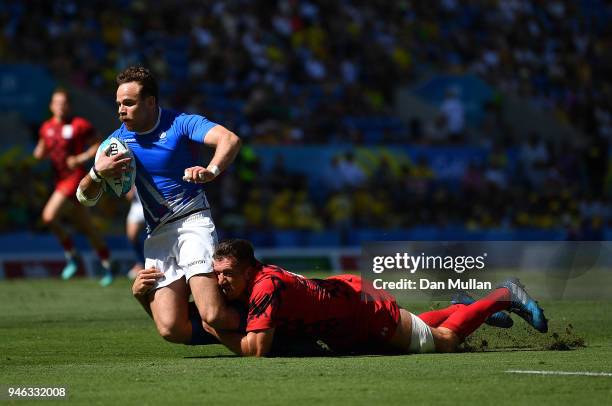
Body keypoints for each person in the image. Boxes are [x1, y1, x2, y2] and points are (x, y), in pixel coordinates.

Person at [133, 239, 549, 357]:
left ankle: (500, 295)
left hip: (359, 314)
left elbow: (256, 350)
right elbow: (178, 325)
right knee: (414, 325)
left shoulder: (263, 287)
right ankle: (464, 308)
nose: (219, 283)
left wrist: (213, 327)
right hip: (344, 305)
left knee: (442, 341)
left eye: (227, 276)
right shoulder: (253, 282)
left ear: (247, 270)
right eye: (216, 276)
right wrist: (143, 299)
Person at [76, 66, 242, 344]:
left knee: (212, 314)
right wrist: (97, 172)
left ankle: (268, 323)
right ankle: (228, 327)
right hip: (158, 235)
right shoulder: (116, 143)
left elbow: (229, 139)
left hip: (192, 221)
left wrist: (211, 171)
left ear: (151, 101)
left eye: (128, 103)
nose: (121, 110)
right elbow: (84, 197)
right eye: (118, 104)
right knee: (170, 330)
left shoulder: (181, 123)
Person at [33, 88, 115, 286]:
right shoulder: (46, 127)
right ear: (51, 106)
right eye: (57, 103)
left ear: (69, 106)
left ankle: (71, 254)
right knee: (87, 227)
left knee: (48, 216)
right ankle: (108, 265)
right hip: (59, 180)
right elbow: (42, 149)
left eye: (64, 103)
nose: (60, 106)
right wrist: (39, 152)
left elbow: (98, 143)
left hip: (75, 179)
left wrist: (80, 158)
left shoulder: (80, 125)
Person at [125, 187, 145, 279]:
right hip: (137, 205)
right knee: (132, 236)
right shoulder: (132, 172)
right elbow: (129, 196)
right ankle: (141, 262)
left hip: (152, 203)